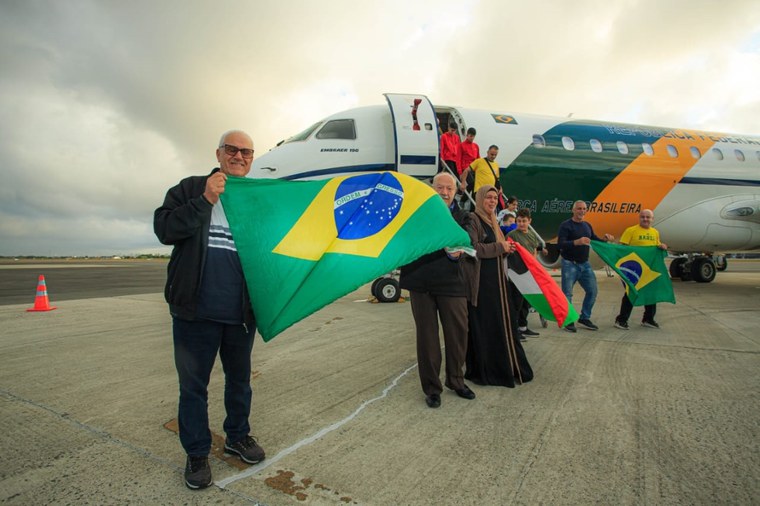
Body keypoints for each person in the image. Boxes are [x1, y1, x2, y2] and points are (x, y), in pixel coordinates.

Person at [153, 130, 265, 490]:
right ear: (218, 153)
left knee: (240, 382)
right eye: (232, 150)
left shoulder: (256, 200)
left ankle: (237, 436)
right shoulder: (190, 188)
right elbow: (165, 229)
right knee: (193, 388)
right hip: (195, 313)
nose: (239, 156)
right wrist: (204, 199)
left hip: (239, 316)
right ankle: (197, 453)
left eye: (246, 152)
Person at [400, 172, 476, 408]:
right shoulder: (415, 216)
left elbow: (469, 238)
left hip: (452, 284)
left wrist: (457, 247)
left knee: (458, 335)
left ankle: (456, 380)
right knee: (427, 338)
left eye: (449, 189)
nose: (444, 192)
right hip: (420, 283)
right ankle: (432, 388)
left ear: (456, 192)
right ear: (431, 189)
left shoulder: (464, 216)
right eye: (439, 188)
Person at [464, 185, 533, 387]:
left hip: (499, 283)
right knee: (487, 327)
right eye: (488, 198)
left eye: (495, 198)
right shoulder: (473, 219)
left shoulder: (494, 222)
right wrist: (499, 247)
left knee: (503, 325)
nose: (492, 201)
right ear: (480, 199)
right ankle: (487, 371)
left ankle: (508, 367)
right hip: (483, 284)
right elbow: (472, 248)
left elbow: (497, 249)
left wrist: (506, 249)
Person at [557, 200, 614, 332]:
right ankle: (569, 320)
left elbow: (593, 239)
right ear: (573, 210)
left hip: (585, 264)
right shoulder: (565, 225)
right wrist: (577, 242)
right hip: (569, 264)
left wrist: (604, 239)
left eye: (584, 209)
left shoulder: (587, 225)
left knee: (592, 291)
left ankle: (584, 317)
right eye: (579, 209)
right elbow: (560, 244)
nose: (582, 211)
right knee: (567, 294)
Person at [614, 209, 668, 330]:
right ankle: (621, 320)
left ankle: (648, 319)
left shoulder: (655, 232)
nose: (645, 219)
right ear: (639, 218)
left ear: (652, 219)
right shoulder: (631, 230)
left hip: (648, 270)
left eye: (648, 217)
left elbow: (656, 247)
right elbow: (622, 248)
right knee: (631, 293)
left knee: (651, 293)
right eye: (643, 217)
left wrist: (662, 246)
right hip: (634, 269)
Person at [507, 208, 542, 337]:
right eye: (519, 221)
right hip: (516, 274)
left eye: (524, 221)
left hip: (529, 274)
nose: (521, 223)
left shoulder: (532, 235)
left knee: (526, 302)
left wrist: (534, 265)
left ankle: (523, 326)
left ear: (529, 221)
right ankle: (514, 329)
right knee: (516, 303)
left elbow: (534, 250)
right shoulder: (512, 235)